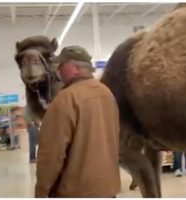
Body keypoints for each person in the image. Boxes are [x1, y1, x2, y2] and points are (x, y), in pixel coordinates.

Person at [35, 45, 121, 198]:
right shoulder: (107, 93)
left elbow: (51, 153)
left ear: (74, 67)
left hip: (76, 190)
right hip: (107, 188)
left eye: (61, 65)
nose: (58, 69)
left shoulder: (66, 98)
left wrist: (42, 190)